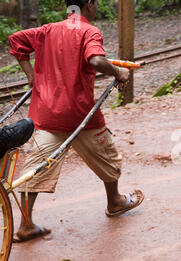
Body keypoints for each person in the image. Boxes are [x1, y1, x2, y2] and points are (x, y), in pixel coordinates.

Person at [8, 0, 145, 242]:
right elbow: (95, 60)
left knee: (35, 168)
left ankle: (25, 226)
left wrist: (31, 76)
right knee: (107, 155)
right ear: (89, 4)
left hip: (46, 113)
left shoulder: (46, 30)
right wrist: (118, 72)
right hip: (80, 114)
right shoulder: (89, 30)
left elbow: (16, 40)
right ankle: (114, 202)